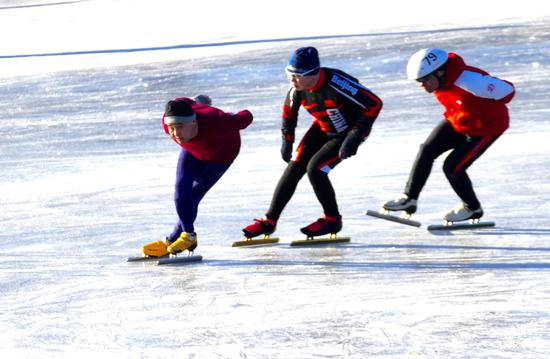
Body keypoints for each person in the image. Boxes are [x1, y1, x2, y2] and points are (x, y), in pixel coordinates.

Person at [242, 46, 383, 238]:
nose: (292, 80)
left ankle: (332, 220)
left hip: (348, 132)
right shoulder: (297, 88)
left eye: (298, 75)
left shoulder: (337, 82)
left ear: (314, 74)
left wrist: (354, 137)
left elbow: (374, 103)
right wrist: (287, 141)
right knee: (294, 168)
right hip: (323, 128)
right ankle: (270, 221)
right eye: (289, 74)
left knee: (316, 169)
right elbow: (289, 113)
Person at [383, 48, 515, 222]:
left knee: (453, 167)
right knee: (426, 150)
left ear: (440, 72)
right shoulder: (441, 80)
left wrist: (487, 94)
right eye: (418, 81)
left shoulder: (470, 81)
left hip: (486, 128)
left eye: (424, 80)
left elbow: (508, 91)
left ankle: (473, 208)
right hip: (458, 119)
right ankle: (409, 198)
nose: (422, 85)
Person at [143, 95, 253, 256]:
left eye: (179, 127)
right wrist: (197, 101)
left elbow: (247, 116)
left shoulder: (218, 122)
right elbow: (181, 102)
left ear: (193, 121)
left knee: (194, 195)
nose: (175, 133)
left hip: (221, 154)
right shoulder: (169, 125)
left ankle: (174, 238)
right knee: (181, 191)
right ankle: (187, 235)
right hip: (193, 150)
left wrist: (231, 118)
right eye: (172, 128)